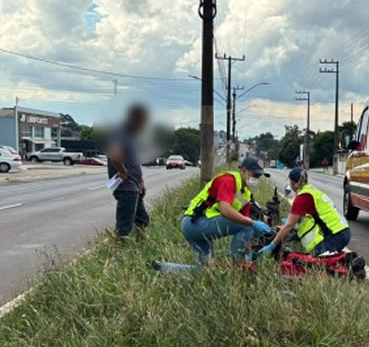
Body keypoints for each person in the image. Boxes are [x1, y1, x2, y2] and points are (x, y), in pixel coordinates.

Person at [153, 156, 272, 272]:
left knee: (205, 269)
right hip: (196, 222)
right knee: (249, 224)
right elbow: (225, 211)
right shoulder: (229, 180)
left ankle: (163, 268)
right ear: (244, 171)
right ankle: (236, 263)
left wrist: (249, 255)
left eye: (259, 176)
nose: (257, 179)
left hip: (199, 226)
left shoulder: (246, 194)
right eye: (255, 175)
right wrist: (253, 223)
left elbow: (243, 224)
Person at [257, 168, 350, 257]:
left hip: (336, 234)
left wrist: (272, 245)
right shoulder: (311, 190)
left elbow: (289, 225)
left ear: (293, 183)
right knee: (326, 258)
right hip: (342, 230)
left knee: (316, 261)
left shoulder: (302, 197)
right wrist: (283, 227)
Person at [107, 105, 150, 243]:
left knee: (142, 220)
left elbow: (134, 161)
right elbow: (115, 156)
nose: (143, 125)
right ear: (133, 118)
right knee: (124, 227)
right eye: (142, 121)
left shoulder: (133, 136)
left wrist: (141, 181)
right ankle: (118, 251)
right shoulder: (120, 133)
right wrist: (122, 171)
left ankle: (141, 246)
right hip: (127, 188)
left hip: (135, 186)